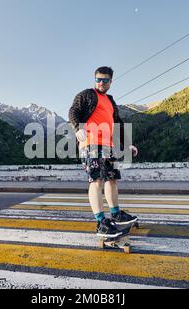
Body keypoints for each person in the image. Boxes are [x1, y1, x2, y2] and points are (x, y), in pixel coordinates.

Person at [69, 66, 139, 238]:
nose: (100, 83)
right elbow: (73, 111)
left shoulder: (110, 100)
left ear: (111, 81)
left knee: (112, 179)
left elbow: (118, 124)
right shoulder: (86, 94)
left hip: (108, 146)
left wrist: (127, 144)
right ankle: (101, 222)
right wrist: (78, 127)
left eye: (104, 80)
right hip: (91, 143)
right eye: (98, 79)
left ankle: (115, 214)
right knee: (97, 180)